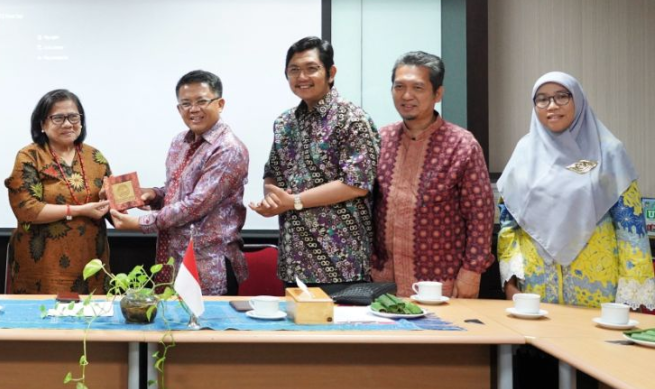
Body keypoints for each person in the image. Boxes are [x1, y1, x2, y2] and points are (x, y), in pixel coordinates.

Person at [497, 71, 654, 309]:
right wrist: (510, 283)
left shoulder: (607, 152)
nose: (552, 106)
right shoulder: (524, 153)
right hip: (537, 288)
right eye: (542, 98)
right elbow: (508, 224)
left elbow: (630, 227)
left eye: (562, 96)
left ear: (578, 100)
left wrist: (634, 296)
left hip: (598, 288)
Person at [253, 37, 379, 289]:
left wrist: (295, 201)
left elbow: (357, 184)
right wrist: (272, 198)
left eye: (311, 68)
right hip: (294, 259)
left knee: (338, 329)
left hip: (342, 264)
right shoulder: (284, 122)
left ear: (330, 73)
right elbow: (272, 174)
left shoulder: (353, 119)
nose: (302, 77)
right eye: (294, 70)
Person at [109, 70, 249, 296]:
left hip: (209, 265)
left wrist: (139, 223)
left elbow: (196, 204)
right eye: (186, 103)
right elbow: (178, 191)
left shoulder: (228, 149)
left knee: (205, 330)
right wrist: (154, 195)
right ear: (178, 109)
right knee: (170, 328)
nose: (193, 109)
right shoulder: (179, 142)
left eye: (202, 101)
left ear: (220, 104)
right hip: (172, 259)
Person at [371, 52, 494, 298]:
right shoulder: (379, 140)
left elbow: (480, 216)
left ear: (437, 94)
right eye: (399, 87)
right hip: (384, 283)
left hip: (440, 284)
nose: (407, 96)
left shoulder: (462, 145)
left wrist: (472, 272)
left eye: (417, 87)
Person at [4, 89, 112, 294]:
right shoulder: (30, 156)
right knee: (44, 321)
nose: (68, 123)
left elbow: (111, 207)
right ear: (42, 124)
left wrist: (113, 201)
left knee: (90, 322)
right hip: (42, 266)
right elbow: (27, 210)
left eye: (73, 117)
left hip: (91, 262)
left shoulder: (95, 157)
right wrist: (80, 210)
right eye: (58, 118)